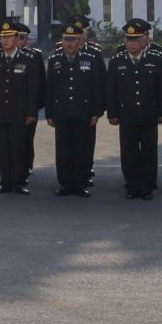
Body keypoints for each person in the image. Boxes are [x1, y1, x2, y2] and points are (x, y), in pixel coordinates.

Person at [106, 19, 162, 200]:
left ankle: (148, 186)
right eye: (128, 40)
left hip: (149, 114)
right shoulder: (117, 61)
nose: (131, 43)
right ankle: (132, 185)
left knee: (149, 150)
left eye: (135, 40)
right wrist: (113, 114)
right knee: (129, 151)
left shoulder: (156, 60)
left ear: (144, 41)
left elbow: (161, 88)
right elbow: (111, 90)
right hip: (127, 115)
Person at [45, 22, 104, 198]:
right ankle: (65, 183)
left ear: (80, 41)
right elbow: (50, 89)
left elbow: (96, 89)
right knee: (63, 150)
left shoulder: (90, 59)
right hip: (62, 112)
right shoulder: (55, 60)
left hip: (83, 113)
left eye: (73, 40)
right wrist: (49, 113)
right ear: (61, 41)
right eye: (66, 40)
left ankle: (80, 183)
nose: (69, 43)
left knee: (82, 149)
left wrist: (96, 112)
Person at [0, 21, 42, 195]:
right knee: (2, 148)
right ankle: (5, 181)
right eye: (3, 37)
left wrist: (32, 112)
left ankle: (19, 182)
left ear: (17, 39)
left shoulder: (27, 59)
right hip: (0, 111)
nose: (5, 40)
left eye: (9, 37)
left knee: (19, 147)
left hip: (20, 112)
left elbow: (32, 88)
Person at [16, 26, 46, 178]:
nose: (21, 41)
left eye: (24, 38)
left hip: (30, 106)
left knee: (28, 138)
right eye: (19, 37)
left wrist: (37, 105)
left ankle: (27, 165)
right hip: (14, 107)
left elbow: (40, 81)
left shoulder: (35, 55)